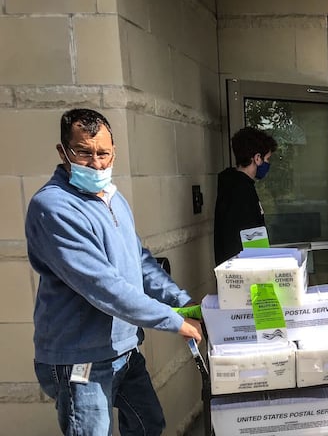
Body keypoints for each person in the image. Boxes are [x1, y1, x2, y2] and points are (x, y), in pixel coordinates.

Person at [25, 108, 203, 436]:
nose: (96, 163)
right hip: (81, 360)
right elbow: (104, 287)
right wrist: (175, 320)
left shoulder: (112, 198)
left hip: (124, 351)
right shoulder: (53, 208)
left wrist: (182, 301)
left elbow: (140, 261)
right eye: (84, 152)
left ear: (114, 152)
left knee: (148, 424)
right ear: (63, 152)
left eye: (103, 153)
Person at [213, 126, 278, 265]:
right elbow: (251, 236)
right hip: (244, 272)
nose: (268, 163)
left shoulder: (232, 185)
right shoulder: (241, 190)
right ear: (257, 158)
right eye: (267, 158)